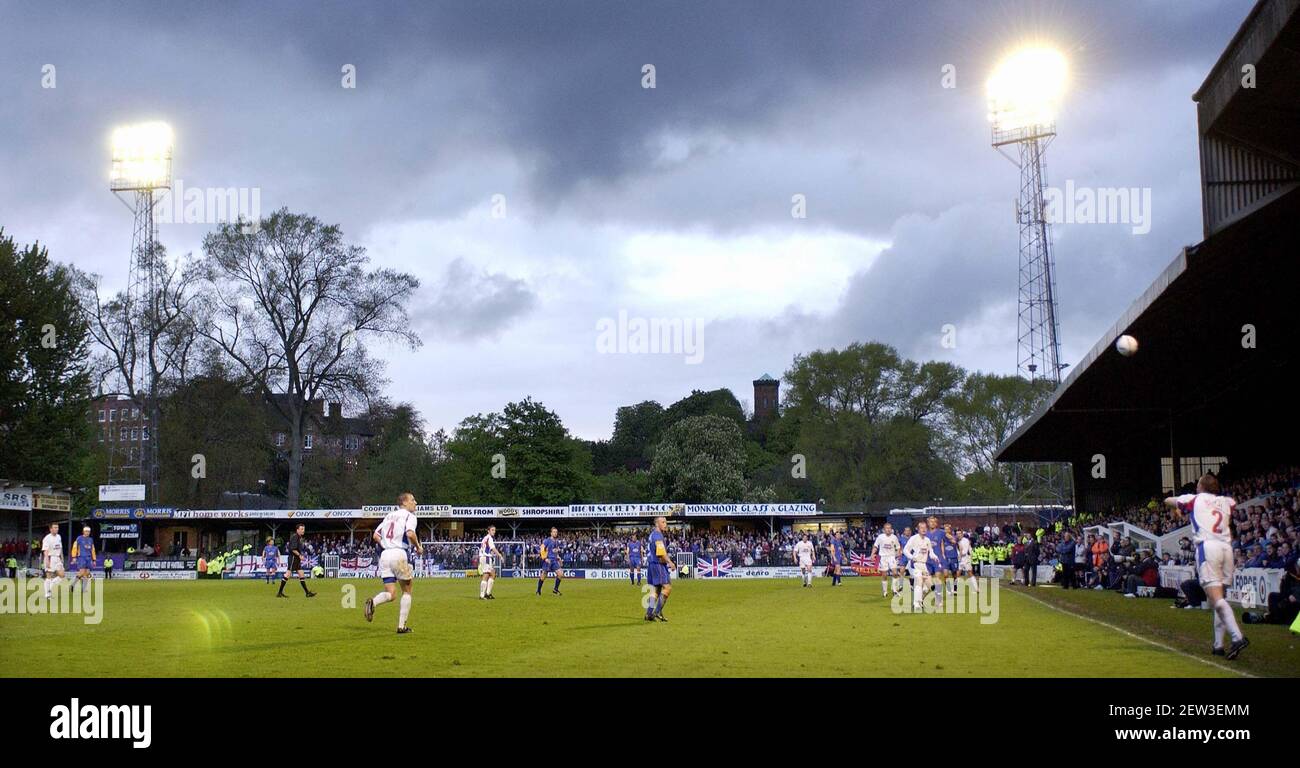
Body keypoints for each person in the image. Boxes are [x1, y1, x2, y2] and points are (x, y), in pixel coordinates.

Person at [1164, 473, 1248, 659]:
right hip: (1227, 549)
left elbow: (1168, 499)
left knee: (1216, 598)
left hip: (1208, 548)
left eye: (1198, 484)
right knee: (1219, 600)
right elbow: (1231, 504)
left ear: (1201, 487)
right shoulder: (1226, 501)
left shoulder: (1195, 499)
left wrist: (1177, 507)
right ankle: (1218, 645)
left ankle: (1237, 637)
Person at [364, 492, 423, 633]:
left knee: (391, 593)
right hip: (399, 553)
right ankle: (402, 626)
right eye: (413, 500)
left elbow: (376, 535)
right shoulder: (410, 516)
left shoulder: (388, 516)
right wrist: (418, 547)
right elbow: (410, 533)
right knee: (407, 591)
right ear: (404, 503)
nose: (416, 503)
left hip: (385, 555)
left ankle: (374, 602)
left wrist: (386, 545)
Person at [903, 522, 942, 610]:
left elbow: (931, 552)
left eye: (925, 528)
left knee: (929, 587)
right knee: (919, 581)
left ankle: (921, 601)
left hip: (923, 565)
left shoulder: (927, 540)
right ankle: (916, 604)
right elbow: (905, 550)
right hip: (915, 564)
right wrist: (912, 557)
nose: (924, 529)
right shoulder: (914, 538)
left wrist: (935, 557)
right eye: (921, 528)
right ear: (918, 529)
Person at [645, 516, 675, 622]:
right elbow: (661, 553)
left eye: (665, 522)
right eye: (663, 522)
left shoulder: (652, 534)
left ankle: (649, 613)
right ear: (657, 524)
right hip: (658, 564)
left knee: (656, 590)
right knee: (667, 588)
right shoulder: (658, 535)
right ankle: (656, 612)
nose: (665, 524)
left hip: (651, 565)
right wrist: (670, 562)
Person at [277, 523, 316, 598]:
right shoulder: (295, 537)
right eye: (301, 529)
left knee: (301, 574)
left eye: (303, 529)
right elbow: (293, 549)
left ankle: (307, 593)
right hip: (293, 558)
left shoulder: (298, 537)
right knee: (287, 574)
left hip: (296, 558)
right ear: (297, 530)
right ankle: (279, 592)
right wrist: (300, 555)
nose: (303, 530)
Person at [872, 523, 901, 597]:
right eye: (886, 528)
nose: (888, 529)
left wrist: (898, 553)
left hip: (891, 557)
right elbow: (875, 546)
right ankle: (885, 592)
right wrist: (872, 554)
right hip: (883, 557)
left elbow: (898, 547)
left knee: (895, 573)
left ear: (891, 529)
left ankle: (894, 590)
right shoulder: (880, 537)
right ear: (884, 530)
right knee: (884, 575)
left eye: (889, 528)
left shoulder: (894, 537)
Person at [536, 526, 563, 596]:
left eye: (556, 532)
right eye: (554, 532)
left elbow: (554, 551)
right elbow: (542, 549)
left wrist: (558, 557)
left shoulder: (556, 542)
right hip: (547, 560)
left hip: (554, 561)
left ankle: (555, 590)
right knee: (543, 576)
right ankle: (538, 591)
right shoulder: (547, 540)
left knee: (560, 574)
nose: (555, 533)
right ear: (551, 533)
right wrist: (545, 558)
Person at [478, 524, 503, 600]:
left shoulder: (485, 538)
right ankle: (482, 595)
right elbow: (493, 548)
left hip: (484, 557)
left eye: (494, 530)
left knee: (493, 574)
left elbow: (484, 548)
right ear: (488, 531)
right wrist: (500, 555)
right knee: (486, 575)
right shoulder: (489, 538)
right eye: (492, 530)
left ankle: (488, 593)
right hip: (486, 558)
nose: (494, 532)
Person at [41, 523, 65, 600]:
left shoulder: (59, 536)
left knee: (62, 575)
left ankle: (50, 585)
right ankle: (47, 595)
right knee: (49, 576)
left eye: (57, 527)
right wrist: (47, 560)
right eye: (55, 527)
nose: (57, 529)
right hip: (50, 558)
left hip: (57, 558)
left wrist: (62, 557)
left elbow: (60, 548)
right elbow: (45, 550)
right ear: (50, 529)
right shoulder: (47, 538)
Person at [71, 525, 96, 593]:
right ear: (83, 531)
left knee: (87, 573)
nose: (87, 532)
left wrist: (94, 559)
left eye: (88, 531)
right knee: (81, 572)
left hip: (89, 558)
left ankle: (83, 589)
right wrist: (74, 557)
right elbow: (74, 547)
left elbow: (93, 550)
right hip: (81, 557)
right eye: (86, 531)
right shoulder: (79, 538)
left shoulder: (91, 540)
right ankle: (72, 585)